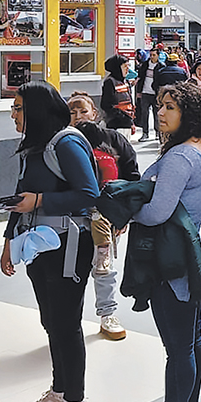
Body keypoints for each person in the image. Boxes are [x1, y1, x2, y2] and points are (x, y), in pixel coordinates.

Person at [1, 81, 100, 402]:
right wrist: (8, 242)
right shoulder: (33, 146)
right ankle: (59, 391)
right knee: (52, 321)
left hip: (68, 246)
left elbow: (89, 194)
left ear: (36, 112)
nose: (12, 114)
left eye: (18, 108)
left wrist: (41, 200)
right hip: (39, 247)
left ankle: (75, 400)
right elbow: (21, 196)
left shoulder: (66, 143)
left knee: (66, 323)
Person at [137, 82, 201, 402]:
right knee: (191, 336)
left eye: (170, 106)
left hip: (177, 256)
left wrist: (129, 212)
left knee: (178, 347)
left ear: (189, 113)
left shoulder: (180, 156)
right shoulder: (199, 146)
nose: (160, 112)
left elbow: (158, 212)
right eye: (160, 105)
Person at [67, 93, 140, 342]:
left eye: (82, 111)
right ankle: (67, 321)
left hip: (105, 220)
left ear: (94, 114)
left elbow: (132, 177)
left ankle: (107, 314)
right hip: (72, 222)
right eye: (72, 112)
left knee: (103, 267)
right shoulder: (61, 144)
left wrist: (124, 214)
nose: (77, 117)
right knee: (70, 272)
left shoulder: (113, 140)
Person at [101, 54, 136, 132]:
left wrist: (131, 121)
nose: (127, 69)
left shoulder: (125, 81)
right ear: (117, 68)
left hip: (127, 122)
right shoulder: (110, 82)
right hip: (116, 124)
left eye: (128, 66)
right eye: (124, 67)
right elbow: (106, 105)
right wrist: (121, 116)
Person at [135, 49, 157, 142]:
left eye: (154, 55)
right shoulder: (145, 65)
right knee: (144, 113)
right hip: (145, 92)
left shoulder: (160, 66)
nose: (152, 57)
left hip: (155, 93)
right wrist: (138, 91)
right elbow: (140, 78)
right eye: (151, 55)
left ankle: (158, 132)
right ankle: (145, 133)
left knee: (157, 114)